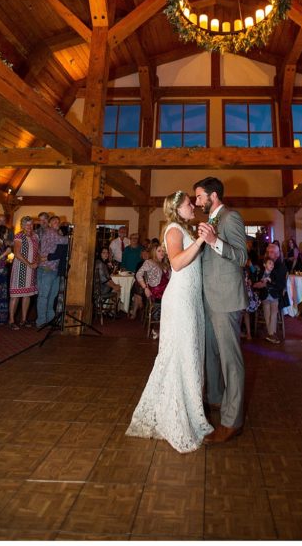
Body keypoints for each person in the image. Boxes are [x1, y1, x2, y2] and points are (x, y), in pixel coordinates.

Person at [126, 192, 214, 452]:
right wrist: (200, 240)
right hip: (180, 300)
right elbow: (176, 263)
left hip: (192, 298)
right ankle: (176, 417)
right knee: (181, 354)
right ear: (177, 209)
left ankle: (190, 410)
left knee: (191, 354)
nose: (193, 206)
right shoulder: (174, 229)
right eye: (189, 204)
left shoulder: (184, 228)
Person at [194, 176, 248, 444]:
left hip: (226, 300)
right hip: (209, 299)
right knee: (209, 355)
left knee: (230, 361)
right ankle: (215, 400)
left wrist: (215, 241)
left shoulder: (231, 217)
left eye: (199, 197)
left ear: (213, 196)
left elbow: (242, 257)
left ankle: (232, 421)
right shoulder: (210, 221)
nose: (196, 202)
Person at [35, 216, 67, 327]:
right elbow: (65, 240)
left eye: (58, 222)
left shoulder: (55, 233)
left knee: (51, 297)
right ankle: (41, 321)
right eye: (54, 221)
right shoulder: (50, 232)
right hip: (46, 269)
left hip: (53, 270)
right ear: (49, 223)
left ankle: (49, 320)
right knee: (44, 296)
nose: (57, 223)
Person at [8, 216, 39, 329]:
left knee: (27, 295)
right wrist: (29, 264)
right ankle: (11, 320)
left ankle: (24, 319)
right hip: (20, 268)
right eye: (27, 225)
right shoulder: (19, 236)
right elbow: (17, 253)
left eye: (31, 224)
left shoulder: (35, 236)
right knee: (16, 295)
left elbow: (37, 252)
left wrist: (36, 262)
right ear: (22, 226)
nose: (29, 227)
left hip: (31, 270)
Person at [254, 243, 288, 344]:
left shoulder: (280, 266)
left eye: (272, 252)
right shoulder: (265, 264)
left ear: (278, 254)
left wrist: (262, 284)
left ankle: (271, 334)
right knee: (267, 313)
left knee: (272, 314)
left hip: (277, 296)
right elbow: (258, 278)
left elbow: (278, 284)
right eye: (268, 252)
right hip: (265, 296)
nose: (269, 253)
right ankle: (271, 334)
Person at [135, 243, 170, 328]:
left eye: (163, 251)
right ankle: (161, 327)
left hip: (166, 291)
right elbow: (138, 274)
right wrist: (145, 288)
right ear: (154, 252)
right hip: (157, 292)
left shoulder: (166, 264)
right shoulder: (149, 262)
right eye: (159, 251)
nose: (162, 253)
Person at [93, 247, 122, 316]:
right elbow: (104, 280)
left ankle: (109, 310)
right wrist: (114, 286)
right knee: (117, 289)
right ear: (100, 254)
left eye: (107, 253)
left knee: (117, 288)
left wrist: (115, 285)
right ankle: (111, 312)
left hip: (101, 286)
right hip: (99, 289)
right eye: (104, 253)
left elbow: (108, 278)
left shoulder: (103, 263)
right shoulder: (99, 263)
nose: (106, 254)